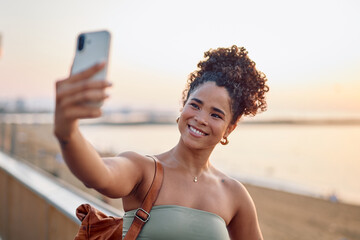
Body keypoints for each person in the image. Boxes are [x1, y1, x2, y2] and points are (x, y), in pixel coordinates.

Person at [54, 45, 269, 239]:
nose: (201, 118)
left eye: (216, 115)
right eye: (195, 105)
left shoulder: (234, 194)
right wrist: (68, 134)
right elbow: (99, 174)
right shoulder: (143, 170)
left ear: (229, 128)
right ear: (183, 107)